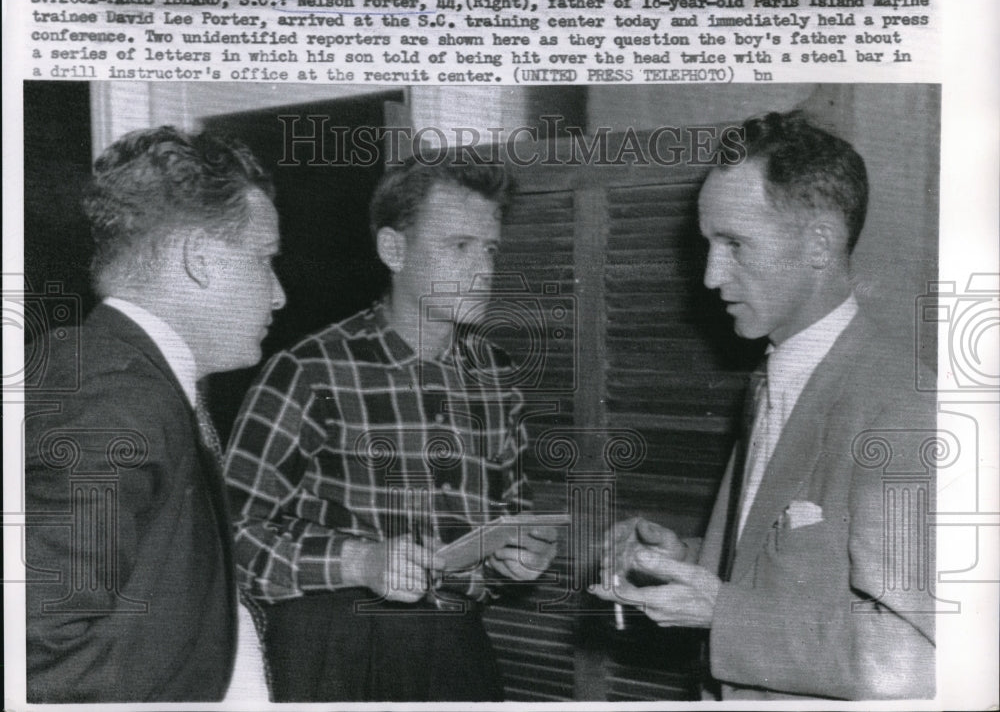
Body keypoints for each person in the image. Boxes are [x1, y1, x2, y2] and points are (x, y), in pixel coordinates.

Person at [592, 111, 936, 700]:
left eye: (735, 243)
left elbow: (907, 658)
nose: (709, 275)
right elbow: (788, 570)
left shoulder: (903, 404)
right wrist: (687, 560)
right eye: (708, 243)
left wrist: (721, 612)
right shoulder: (774, 377)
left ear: (819, 243)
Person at [224, 156, 558, 702]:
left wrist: (518, 560)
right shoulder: (309, 371)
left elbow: (508, 523)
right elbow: (227, 537)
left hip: (456, 648)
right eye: (458, 247)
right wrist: (361, 561)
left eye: (490, 248)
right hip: (332, 646)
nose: (484, 269)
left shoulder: (499, 377)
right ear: (393, 250)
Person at [25, 126, 285, 702]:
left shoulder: (128, 377)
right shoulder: (113, 398)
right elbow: (34, 647)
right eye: (265, 261)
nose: (278, 295)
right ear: (199, 259)